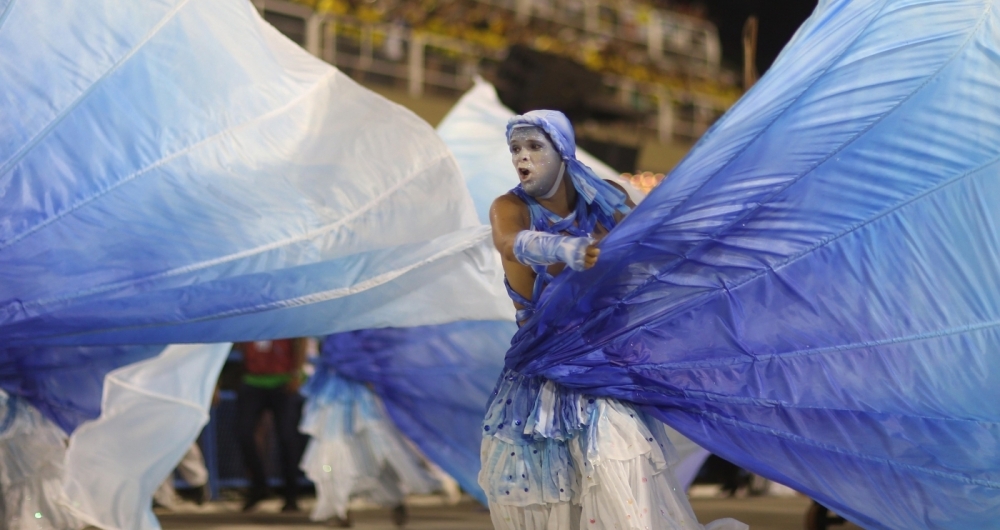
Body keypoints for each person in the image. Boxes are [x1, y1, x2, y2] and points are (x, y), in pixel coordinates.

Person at [479, 110, 746, 530]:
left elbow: (646, 252)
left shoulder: (606, 200)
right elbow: (508, 243)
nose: (522, 158)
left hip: (606, 371)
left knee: (625, 487)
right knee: (557, 509)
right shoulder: (510, 207)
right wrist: (560, 249)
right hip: (543, 385)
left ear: (562, 150)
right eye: (515, 148)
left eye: (534, 146)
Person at [235, 338, 307, 513]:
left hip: (283, 379)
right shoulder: (247, 312)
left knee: (287, 437)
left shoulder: (287, 312)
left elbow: (301, 338)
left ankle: (291, 494)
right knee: (243, 433)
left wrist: (296, 373)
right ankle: (259, 486)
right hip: (252, 379)